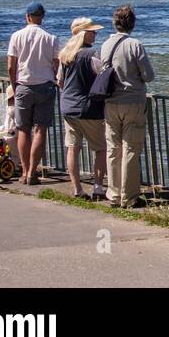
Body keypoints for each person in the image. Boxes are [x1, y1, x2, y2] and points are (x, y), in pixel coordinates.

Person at [94, 4, 155, 208]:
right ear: (132, 23)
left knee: (113, 149)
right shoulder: (135, 45)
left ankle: (113, 194)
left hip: (110, 102)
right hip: (133, 102)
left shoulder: (105, 45)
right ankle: (129, 197)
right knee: (131, 148)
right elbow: (148, 75)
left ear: (114, 23)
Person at [7, 3, 60, 184]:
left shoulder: (16, 37)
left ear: (27, 16)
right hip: (45, 86)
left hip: (23, 85)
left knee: (23, 129)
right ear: (42, 17)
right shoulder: (51, 38)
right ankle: (32, 172)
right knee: (40, 130)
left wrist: (14, 85)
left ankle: (24, 171)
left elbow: (10, 65)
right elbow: (56, 64)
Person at [57, 17, 107, 200]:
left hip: (67, 107)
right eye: (93, 31)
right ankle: (98, 187)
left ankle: (77, 189)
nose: (95, 34)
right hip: (87, 108)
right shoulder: (91, 54)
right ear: (85, 34)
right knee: (101, 147)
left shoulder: (65, 55)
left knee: (73, 147)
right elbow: (103, 76)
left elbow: (60, 81)